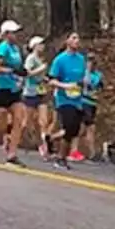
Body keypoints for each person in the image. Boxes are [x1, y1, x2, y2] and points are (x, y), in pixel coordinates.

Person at [46, 33, 88, 170]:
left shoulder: (81, 59)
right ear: (67, 41)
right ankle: (60, 158)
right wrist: (65, 86)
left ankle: (52, 140)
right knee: (69, 126)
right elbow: (51, 80)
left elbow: (81, 78)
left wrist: (85, 83)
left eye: (78, 38)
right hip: (64, 99)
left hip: (78, 99)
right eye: (73, 38)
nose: (77, 41)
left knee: (75, 130)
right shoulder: (60, 60)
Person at [0, 20, 27, 166]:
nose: (16, 35)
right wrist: (11, 70)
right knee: (0, 125)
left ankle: (12, 155)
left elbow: (18, 66)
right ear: (6, 34)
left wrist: (22, 71)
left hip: (14, 89)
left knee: (18, 120)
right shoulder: (3, 48)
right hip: (2, 89)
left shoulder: (16, 49)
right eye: (13, 32)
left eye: (16, 32)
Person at [21, 36, 53, 159]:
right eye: (40, 44)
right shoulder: (31, 58)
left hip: (41, 91)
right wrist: (40, 69)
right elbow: (27, 73)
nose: (42, 46)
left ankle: (43, 145)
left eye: (43, 44)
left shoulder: (41, 59)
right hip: (30, 92)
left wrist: (45, 79)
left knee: (43, 120)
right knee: (28, 122)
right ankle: (11, 138)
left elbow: (39, 75)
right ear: (34, 46)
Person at [75, 52, 103, 161]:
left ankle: (53, 138)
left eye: (93, 61)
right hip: (84, 102)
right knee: (91, 128)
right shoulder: (83, 74)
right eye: (89, 61)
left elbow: (99, 87)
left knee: (80, 130)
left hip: (93, 103)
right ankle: (92, 153)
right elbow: (81, 85)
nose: (91, 64)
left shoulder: (98, 75)